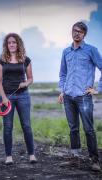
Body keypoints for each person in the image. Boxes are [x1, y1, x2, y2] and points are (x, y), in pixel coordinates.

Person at [58, 22, 102, 171]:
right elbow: (63, 74)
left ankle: (94, 161)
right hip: (69, 96)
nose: (77, 33)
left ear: (84, 34)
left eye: (80, 32)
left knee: (89, 129)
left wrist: (98, 89)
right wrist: (62, 90)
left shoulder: (91, 50)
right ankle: (75, 159)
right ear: (71, 32)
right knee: (73, 129)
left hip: (84, 96)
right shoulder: (66, 52)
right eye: (74, 31)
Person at [0, 33, 37, 165]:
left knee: (26, 126)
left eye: (14, 42)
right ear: (6, 45)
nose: (12, 44)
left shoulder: (26, 59)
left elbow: (30, 78)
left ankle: (31, 155)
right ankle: (8, 157)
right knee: (8, 127)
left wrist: (25, 83)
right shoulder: (2, 59)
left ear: (18, 44)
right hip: (7, 97)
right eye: (9, 43)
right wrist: (3, 98)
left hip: (23, 96)